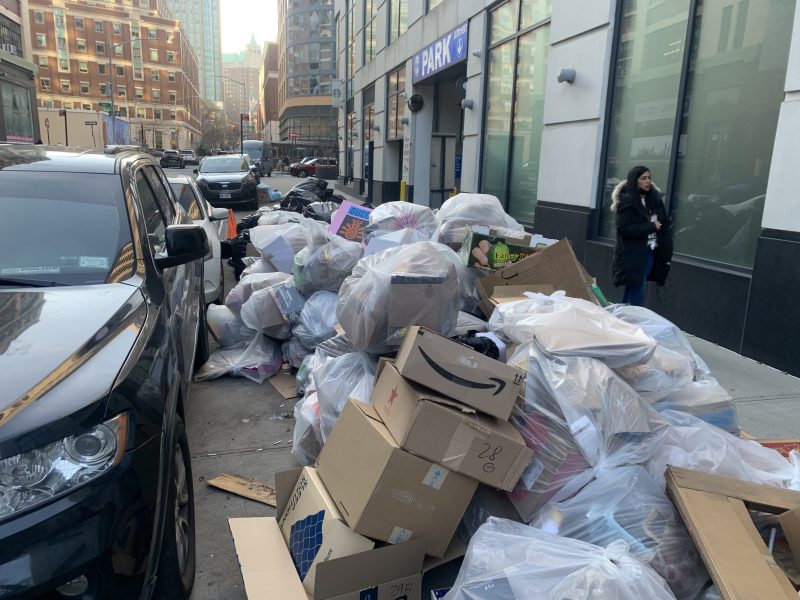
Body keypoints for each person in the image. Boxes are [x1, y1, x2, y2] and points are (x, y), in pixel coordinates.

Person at [611, 165, 672, 306]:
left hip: (651, 251)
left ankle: (625, 315)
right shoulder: (626, 201)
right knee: (637, 288)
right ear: (635, 180)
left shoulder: (655, 200)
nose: (648, 181)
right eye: (643, 178)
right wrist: (651, 226)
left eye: (649, 177)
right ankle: (630, 316)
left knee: (635, 287)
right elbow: (624, 229)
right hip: (633, 252)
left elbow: (664, 225)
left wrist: (667, 250)